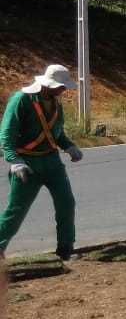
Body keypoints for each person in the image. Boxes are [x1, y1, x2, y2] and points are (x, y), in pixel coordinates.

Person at [0, 65, 83, 260]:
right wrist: (14, 160)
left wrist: (69, 146)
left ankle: (65, 248)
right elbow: (6, 134)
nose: (63, 90)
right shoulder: (21, 100)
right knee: (16, 210)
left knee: (66, 203)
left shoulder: (56, 103)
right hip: (26, 163)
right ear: (48, 84)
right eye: (61, 86)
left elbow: (57, 133)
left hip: (52, 162)